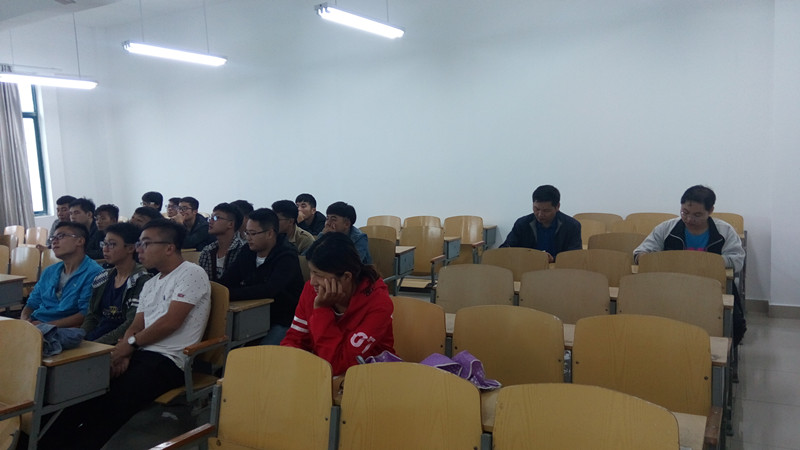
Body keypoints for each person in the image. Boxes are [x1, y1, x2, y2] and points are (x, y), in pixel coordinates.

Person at [39, 219, 211, 450]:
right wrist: (125, 351)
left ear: (169, 247)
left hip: (171, 360)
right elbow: (136, 323)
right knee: (82, 391)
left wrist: (130, 345)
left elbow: (170, 323)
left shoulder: (191, 273)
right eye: (139, 243)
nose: (139, 249)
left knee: (112, 404)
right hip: (141, 352)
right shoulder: (152, 282)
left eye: (146, 243)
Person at [633, 185, 746, 345]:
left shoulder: (724, 231)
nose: (689, 219)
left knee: (736, 326)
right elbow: (640, 252)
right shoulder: (667, 228)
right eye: (684, 212)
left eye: (697, 215)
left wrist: (702, 262)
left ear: (710, 211)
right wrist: (647, 258)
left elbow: (737, 260)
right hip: (670, 288)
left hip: (711, 290)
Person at [282, 232, 395, 376]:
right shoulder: (311, 291)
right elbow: (295, 340)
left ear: (346, 277)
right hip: (321, 374)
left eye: (319, 275)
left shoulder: (379, 304)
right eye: (311, 272)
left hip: (370, 376)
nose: (312, 281)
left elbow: (338, 365)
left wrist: (322, 310)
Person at [220, 208, 304, 345]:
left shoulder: (287, 256)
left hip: (282, 318)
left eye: (253, 233)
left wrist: (229, 293)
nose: (248, 238)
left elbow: (269, 290)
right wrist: (220, 291)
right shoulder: (247, 251)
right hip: (252, 314)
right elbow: (228, 279)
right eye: (247, 233)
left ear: (270, 233)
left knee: (262, 352)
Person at [20, 222, 103, 327]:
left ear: (80, 241)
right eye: (53, 238)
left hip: (65, 329)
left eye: (61, 236)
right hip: (37, 324)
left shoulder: (94, 273)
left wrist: (46, 326)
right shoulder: (49, 271)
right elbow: (31, 303)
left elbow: (85, 314)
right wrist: (24, 320)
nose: (54, 241)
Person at [81, 222, 151, 345]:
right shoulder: (102, 278)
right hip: (97, 337)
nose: (105, 249)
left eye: (112, 244)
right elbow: (92, 316)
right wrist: (80, 337)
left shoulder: (141, 281)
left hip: (121, 342)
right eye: (104, 244)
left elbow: (131, 323)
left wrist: (97, 345)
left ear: (130, 248)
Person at [500, 185, 582, 262]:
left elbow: (575, 256)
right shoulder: (522, 224)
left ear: (557, 207)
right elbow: (505, 249)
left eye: (546, 211)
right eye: (536, 209)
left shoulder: (572, 226)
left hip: (558, 268)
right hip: (528, 266)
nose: (540, 214)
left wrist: (553, 259)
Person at [198, 202, 245, 281]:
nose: (210, 222)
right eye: (211, 218)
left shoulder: (242, 250)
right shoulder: (207, 251)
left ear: (230, 224)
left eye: (216, 218)